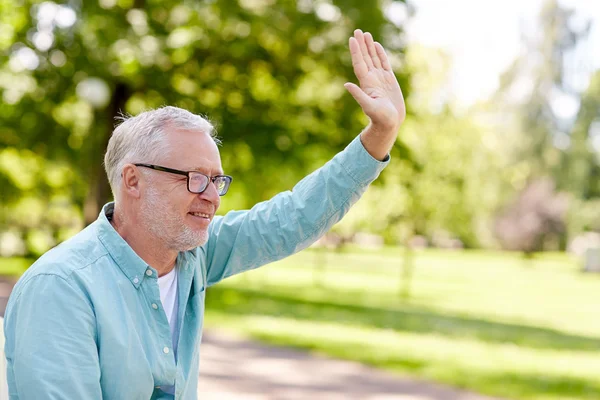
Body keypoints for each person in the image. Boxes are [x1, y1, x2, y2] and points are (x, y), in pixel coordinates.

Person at [3, 29, 405, 399]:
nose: (212, 197)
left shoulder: (191, 255)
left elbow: (290, 220)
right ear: (132, 181)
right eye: (195, 178)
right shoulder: (61, 288)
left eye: (217, 180)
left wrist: (380, 134)